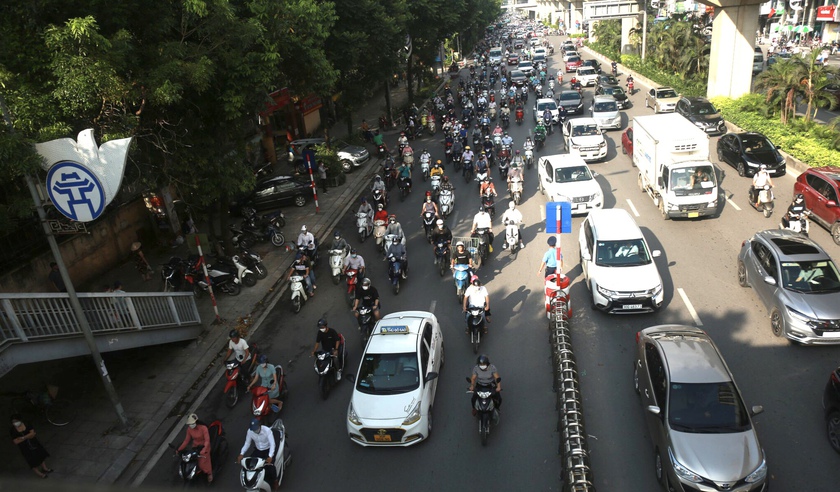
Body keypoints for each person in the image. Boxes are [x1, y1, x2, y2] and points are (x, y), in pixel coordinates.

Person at [237, 419, 277, 487]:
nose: (255, 431)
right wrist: (241, 453)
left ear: (260, 425)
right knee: (250, 465)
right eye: (253, 429)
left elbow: (272, 444)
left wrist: (270, 456)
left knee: (270, 466)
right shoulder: (250, 431)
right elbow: (247, 443)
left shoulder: (267, 431)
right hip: (258, 450)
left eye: (256, 429)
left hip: (268, 450)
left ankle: (275, 481)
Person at [10, 414, 52, 478]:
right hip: (24, 447)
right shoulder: (12, 430)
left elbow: (33, 434)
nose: (15, 423)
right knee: (31, 460)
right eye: (13, 422)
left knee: (40, 454)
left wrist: (22, 438)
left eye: (16, 421)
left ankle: (44, 468)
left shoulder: (27, 424)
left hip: (34, 443)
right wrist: (28, 436)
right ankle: (39, 474)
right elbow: (16, 441)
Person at [176, 414, 213, 483]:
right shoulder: (189, 430)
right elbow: (186, 441)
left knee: (202, 463)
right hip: (195, 447)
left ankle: (209, 473)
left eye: (192, 423)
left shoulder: (203, 428)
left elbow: (207, 440)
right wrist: (179, 449)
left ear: (196, 422)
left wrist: (204, 449)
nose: (191, 425)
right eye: (189, 424)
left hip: (204, 447)